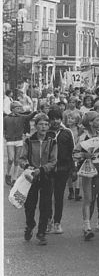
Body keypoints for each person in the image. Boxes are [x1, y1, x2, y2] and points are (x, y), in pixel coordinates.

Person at [21, 113, 57, 245]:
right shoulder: (28, 141)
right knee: (30, 205)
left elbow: (53, 161)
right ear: (35, 126)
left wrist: (42, 169)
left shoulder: (52, 141)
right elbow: (22, 158)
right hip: (31, 177)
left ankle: (41, 232)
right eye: (41, 124)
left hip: (46, 176)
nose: (43, 127)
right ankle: (30, 224)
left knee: (45, 205)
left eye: (46, 124)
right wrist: (28, 167)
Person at [73, 111, 99, 240]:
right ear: (91, 122)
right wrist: (84, 155)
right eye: (97, 120)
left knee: (98, 195)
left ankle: (92, 221)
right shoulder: (83, 137)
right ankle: (87, 226)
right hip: (87, 168)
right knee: (88, 197)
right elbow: (75, 153)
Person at [47, 108, 74, 235]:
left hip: (63, 170)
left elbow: (72, 151)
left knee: (59, 197)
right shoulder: (45, 132)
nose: (55, 121)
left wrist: (73, 170)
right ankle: (48, 221)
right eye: (52, 119)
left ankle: (57, 222)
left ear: (61, 119)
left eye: (58, 118)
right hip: (48, 170)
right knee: (47, 197)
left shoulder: (67, 133)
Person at [5, 100, 29, 185]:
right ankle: (8, 174)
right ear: (12, 109)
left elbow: (29, 117)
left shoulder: (21, 117)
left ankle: (14, 178)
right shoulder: (6, 118)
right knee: (11, 159)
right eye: (17, 108)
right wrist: (5, 135)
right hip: (10, 140)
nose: (19, 109)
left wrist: (36, 112)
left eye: (20, 108)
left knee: (16, 160)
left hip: (19, 140)